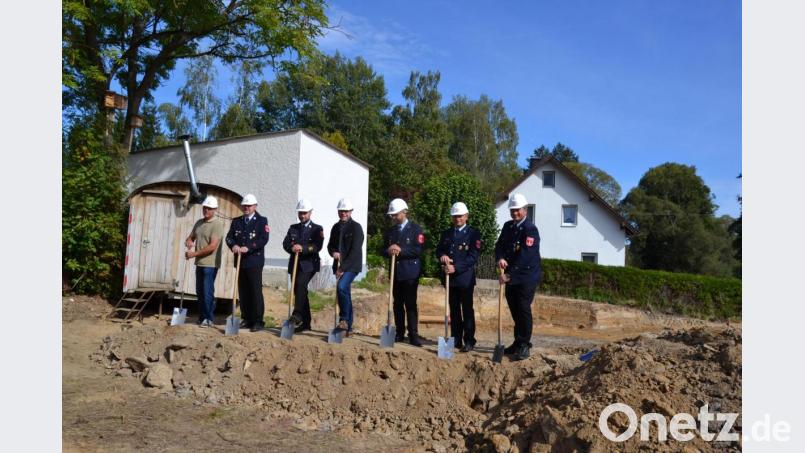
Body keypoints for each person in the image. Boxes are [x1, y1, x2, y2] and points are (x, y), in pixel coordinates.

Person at [494, 193, 542, 361]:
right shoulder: (508, 226)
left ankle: (524, 345)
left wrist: (509, 274)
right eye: (512, 210)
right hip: (511, 277)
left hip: (526, 276)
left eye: (518, 210)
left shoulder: (530, 229)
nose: (515, 213)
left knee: (523, 308)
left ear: (525, 210)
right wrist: (500, 257)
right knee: (515, 309)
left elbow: (526, 255)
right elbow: (499, 245)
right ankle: (518, 340)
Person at [435, 202, 482, 352]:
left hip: (465, 279)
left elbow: (472, 257)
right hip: (450, 279)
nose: (457, 219)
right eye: (455, 216)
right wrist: (442, 256)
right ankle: (455, 339)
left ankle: (469, 340)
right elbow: (439, 250)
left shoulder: (473, 234)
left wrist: (455, 267)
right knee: (454, 310)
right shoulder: (446, 233)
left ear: (466, 216)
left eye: (460, 216)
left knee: (467, 310)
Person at [382, 198, 425, 346]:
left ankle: (413, 334)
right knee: (397, 303)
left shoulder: (416, 230)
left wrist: (402, 250)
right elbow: (382, 249)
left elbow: (418, 250)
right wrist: (388, 250)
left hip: (410, 273)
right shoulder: (391, 231)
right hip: (396, 273)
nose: (393, 217)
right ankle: (399, 333)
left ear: (404, 212)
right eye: (392, 215)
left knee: (410, 304)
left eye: (396, 214)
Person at [225, 193, 269, 332]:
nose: (246, 208)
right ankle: (247, 318)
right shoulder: (236, 221)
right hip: (240, 261)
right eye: (244, 205)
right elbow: (229, 237)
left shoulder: (262, 221)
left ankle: (258, 320)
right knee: (243, 291)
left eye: (249, 205)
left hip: (254, 261)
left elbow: (263, 239)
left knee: (255, 291)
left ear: (255, 206)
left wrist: (249, 247)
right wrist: (233, 246)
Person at [282, 199, 324, 332]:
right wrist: (292, 247)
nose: (302, 216)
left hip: (309, 264)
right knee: (299, 291)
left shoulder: (317, 229)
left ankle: (297, 314)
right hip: (294, 264)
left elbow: (317, 246)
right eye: (300, 213)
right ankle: (306, 323)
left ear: (310, 213)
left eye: (305, 213)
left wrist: (303, 248)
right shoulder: (293, 228)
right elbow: (285, 244)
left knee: (300, 284)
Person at [326, 198, 365, 336]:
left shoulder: (356, 228)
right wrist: (333, 253)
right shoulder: (335, 228)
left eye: (346, 211)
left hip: (351, 266)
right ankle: (349, 327)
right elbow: (330, 245)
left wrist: (343, 268)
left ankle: (343, 320)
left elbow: (355, 251)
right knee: (345, 293)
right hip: (339, 265)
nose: (343, 213)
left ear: (351, 212)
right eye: (341, 211)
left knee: (341, 287)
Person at [185, 195, 225, 328]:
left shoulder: (217, 225)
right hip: (199, 263)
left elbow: (212, 246)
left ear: (214, 210)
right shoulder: (199, 223)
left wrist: (194, 254)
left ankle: (209, 318)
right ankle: (202, 317)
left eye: (209, 208)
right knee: (199, 291)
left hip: (210, 264)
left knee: (207, 291)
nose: (206, 210)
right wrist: (189, 242)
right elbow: (190, 237)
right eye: (204, 208)